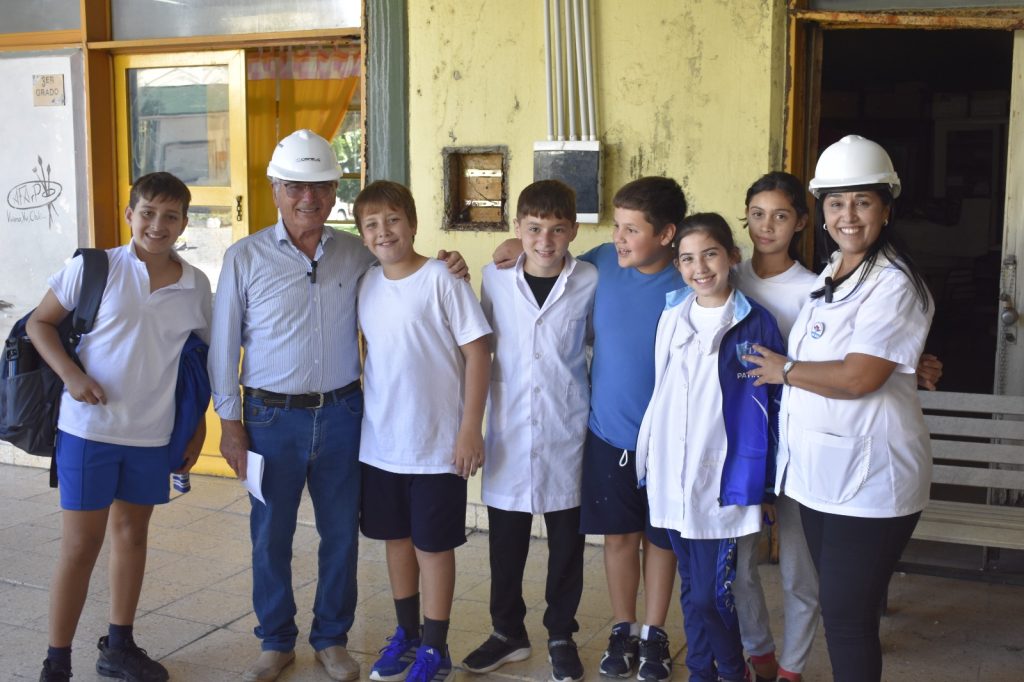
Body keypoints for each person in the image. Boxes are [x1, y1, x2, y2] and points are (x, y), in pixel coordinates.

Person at [208, 131, 467, 682]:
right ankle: (276, 640)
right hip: (269, 418)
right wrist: (229, 423)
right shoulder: (244, 258)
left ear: (334, 193)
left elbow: (407, 274)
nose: (309, 198)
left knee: (342, 535)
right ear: (275, 189)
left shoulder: (357, 252)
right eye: (296, 186)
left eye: (321, 187)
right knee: (270, 534)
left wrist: (454, 261)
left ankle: (332, 637)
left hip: (345, 416)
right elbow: (223, 346)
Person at [732, 171, 944, 682]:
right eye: (836, 203)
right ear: (823, 213)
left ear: (886, 209)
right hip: (818, 469)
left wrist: (786, 370)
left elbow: (858, 376)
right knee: (841, 609)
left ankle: (793, 667)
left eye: (862, 202)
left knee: (846, 618)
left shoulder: (893, 280)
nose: (847, 215)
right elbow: (848, 348)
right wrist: (905, 360)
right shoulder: (833, 273)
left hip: (870, 478)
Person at [494, 176, 686, 681]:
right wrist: (514, 242)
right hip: (609, 435)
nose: (618, 237)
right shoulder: (602, 262)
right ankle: (623, 628)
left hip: (669, 441)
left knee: (660, 540)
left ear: (667, 234)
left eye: (630, 229)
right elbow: (546, 253)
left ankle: (654, 633)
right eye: (617, 226)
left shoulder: (688, 277)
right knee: (619, 538)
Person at [28, 172, 211, 682]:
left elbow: (198, 361)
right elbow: (39, 323)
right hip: (88, 431)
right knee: (80, 545)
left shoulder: (195, 285)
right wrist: (72, 375)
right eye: (147, 212)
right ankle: (57, 661)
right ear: (130, 214)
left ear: (184, 224)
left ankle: (120, 645)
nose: (157, 225)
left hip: (152, 435)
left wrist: (197, 427)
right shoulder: (96, 267)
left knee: (132, 535)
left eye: (170, 216)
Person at [636, 212, 785, 682]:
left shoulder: (755, 322)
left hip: (725, 478)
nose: (699, 268)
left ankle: (734, 671)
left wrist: (767, 485)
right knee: (691, 585)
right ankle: (702, 671)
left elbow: (775, 407)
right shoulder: (672, 315)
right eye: (687, 259)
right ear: (677, 265)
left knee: (711, 594)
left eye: (710, 254)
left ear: (732, 256)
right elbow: (663, 394)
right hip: (671, 472)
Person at [354, 181, 491, 682]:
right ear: (362, 235)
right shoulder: (366, 284)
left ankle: (436, 645)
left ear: (412, 224)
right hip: (381, 444)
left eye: (393, 220)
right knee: (396, 541)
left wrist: (470, 428)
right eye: (372, 224)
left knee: (433, 546)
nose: (384, 231)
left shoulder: (441, 278)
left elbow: (479, 352)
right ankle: (406, 635)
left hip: (437, 445)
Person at [463, 180, 597, 682]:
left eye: (557, 230)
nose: (545, 241)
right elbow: (481, 347)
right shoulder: (494, 278)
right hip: (509, 428)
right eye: (534, 229)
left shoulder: (589, 280)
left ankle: (561, 633)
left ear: (574, 230)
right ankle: (507, 633)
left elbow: (592, 343)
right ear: (518, 228)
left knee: (566, 543)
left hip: (567, 428)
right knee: (506, 542)